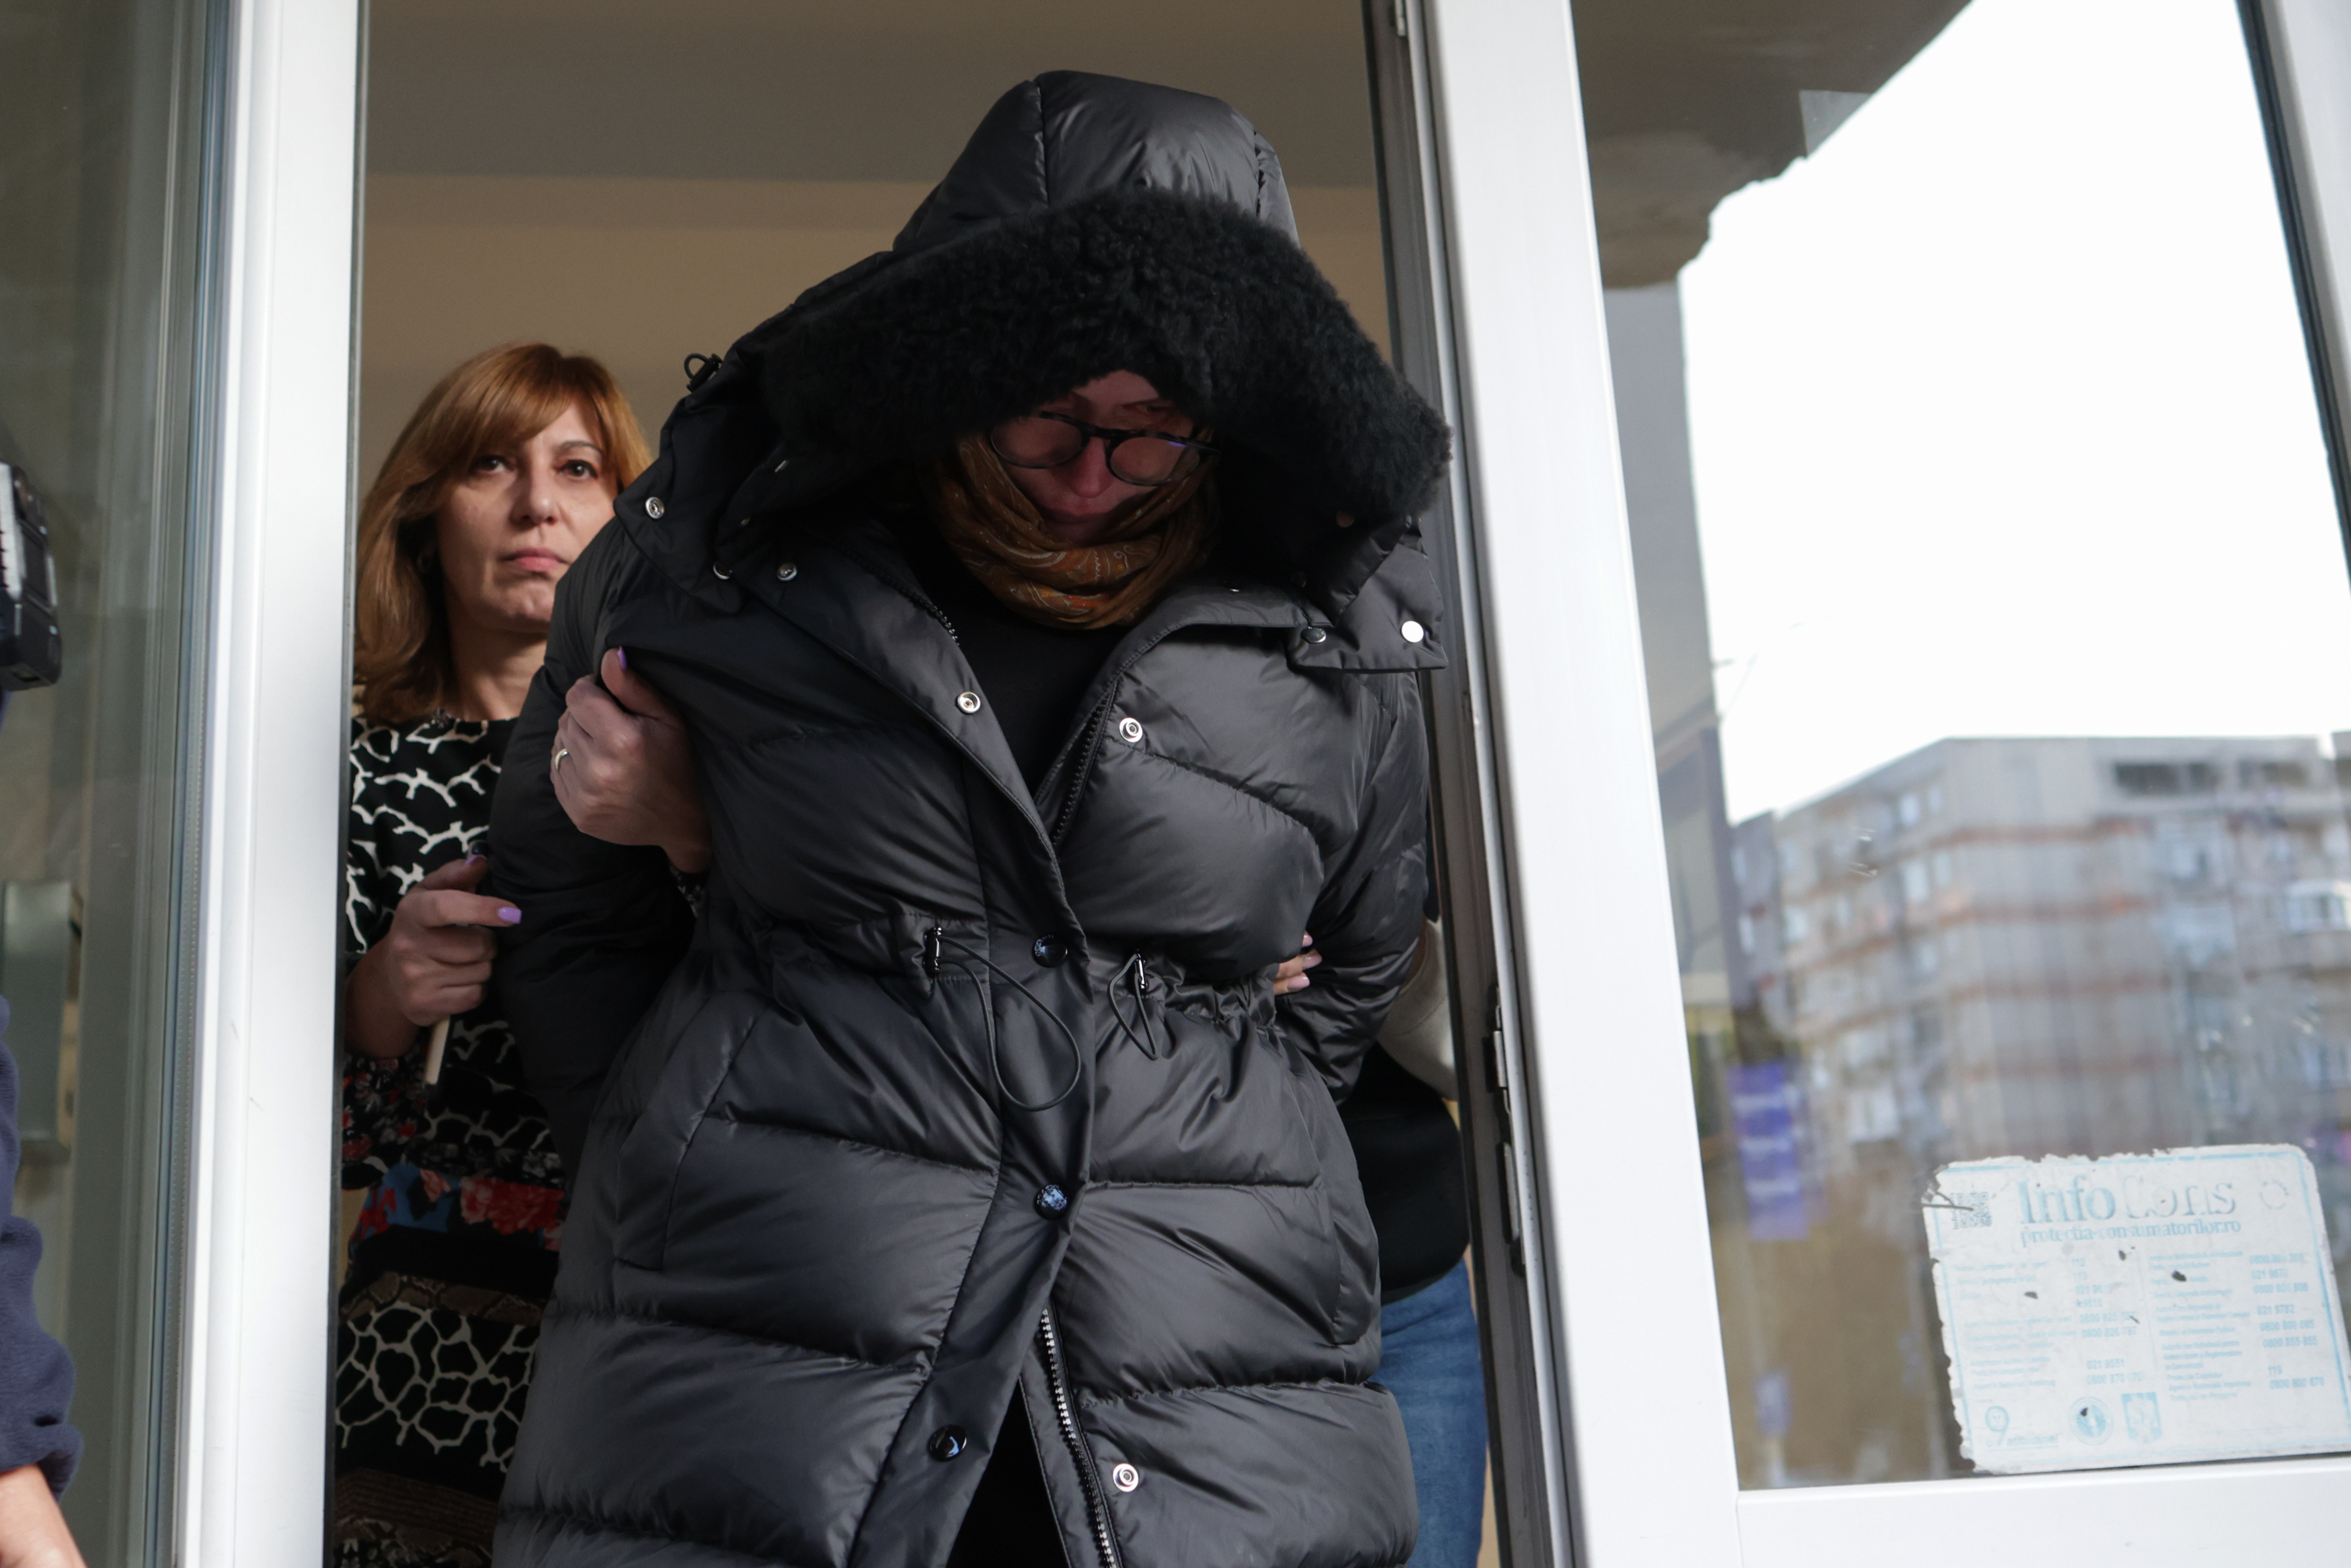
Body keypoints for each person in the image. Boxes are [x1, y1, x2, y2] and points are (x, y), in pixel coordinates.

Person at [489, 72, 1451, 1568]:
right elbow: (564, 905)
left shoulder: (1332, 625)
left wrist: (1177, 1096)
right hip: (764, 1332)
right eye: (1050, 413)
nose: (1092, 474)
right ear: (958, 358)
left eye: (1153, 431)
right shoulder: (727, 556)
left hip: (1200, 1371)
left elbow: (1352, 971)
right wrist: (680, 1147)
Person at [333, 342, 648, 1568]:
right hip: (422, 1325)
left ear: (626, 515)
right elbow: (249, 1131)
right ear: (425, 511)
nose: (537, 506)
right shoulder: (340, 776)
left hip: (662, 1302)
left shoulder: (709, 760)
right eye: (489, 465)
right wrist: (382, 994)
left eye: (578, 468)